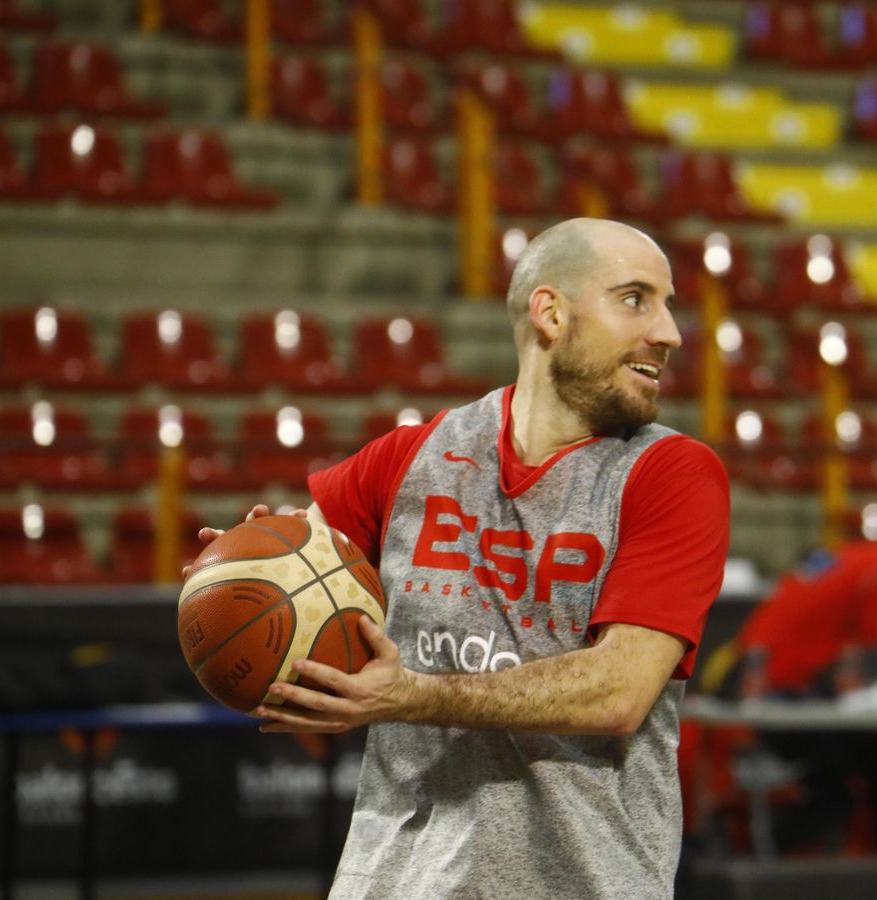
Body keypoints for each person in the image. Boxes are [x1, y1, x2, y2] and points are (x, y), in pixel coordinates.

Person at [186, 218, 731, 898]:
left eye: (668, 305)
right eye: (635, 299)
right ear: (551, 312)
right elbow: (296, 582)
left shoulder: (672, 475)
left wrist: (412, 696)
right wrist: (246, 574)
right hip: (392, 882)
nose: (669, 332)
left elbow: (619, 691)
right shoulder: (408, 457)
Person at [726, 521, 877, 852]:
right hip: (778, 688)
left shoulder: (850, 553)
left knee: (872, 757)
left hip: (754, 674)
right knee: (850, 781)